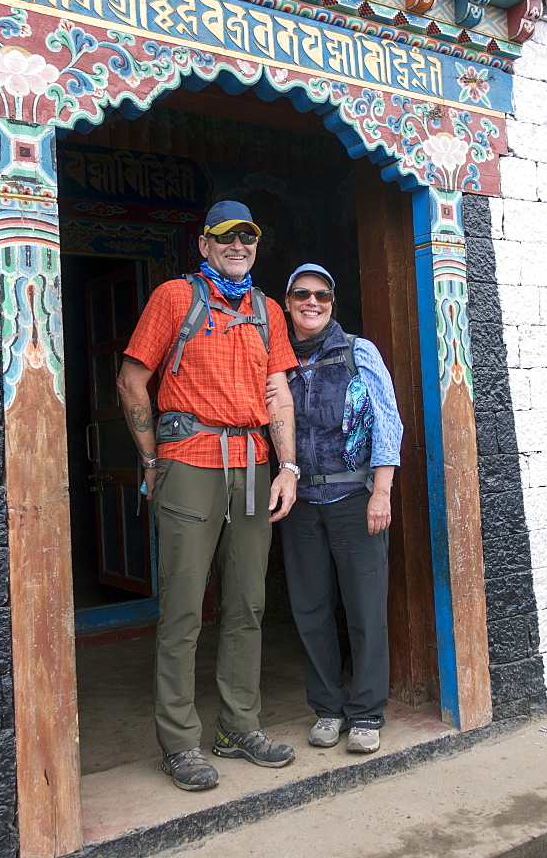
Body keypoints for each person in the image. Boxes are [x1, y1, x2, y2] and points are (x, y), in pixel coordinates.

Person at [117, 201, 300, 792]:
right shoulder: (175, 297)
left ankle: (238, 726)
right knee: (183, 606)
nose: (238, 246)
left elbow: (277, 395)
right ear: (205, 244)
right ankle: (179, 742)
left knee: (247, 599)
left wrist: (288, 466)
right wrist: (150, 460)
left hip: (251, 468)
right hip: (189, 463)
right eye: (225, 238)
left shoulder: (269, 311)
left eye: (247, 237)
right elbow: (131, 378)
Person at [278, 263, 403, 755]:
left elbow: (387, 421)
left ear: (332, 302)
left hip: (356, 497)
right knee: (310, 609)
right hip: (301, 500)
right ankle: (327, 709)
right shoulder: (278, 357)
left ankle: (367, 712)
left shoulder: (357, 351)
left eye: (322, 296)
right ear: (287, 301)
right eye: (302, 294)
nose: (313, 303)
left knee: (365, 608)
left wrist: (382, 492)